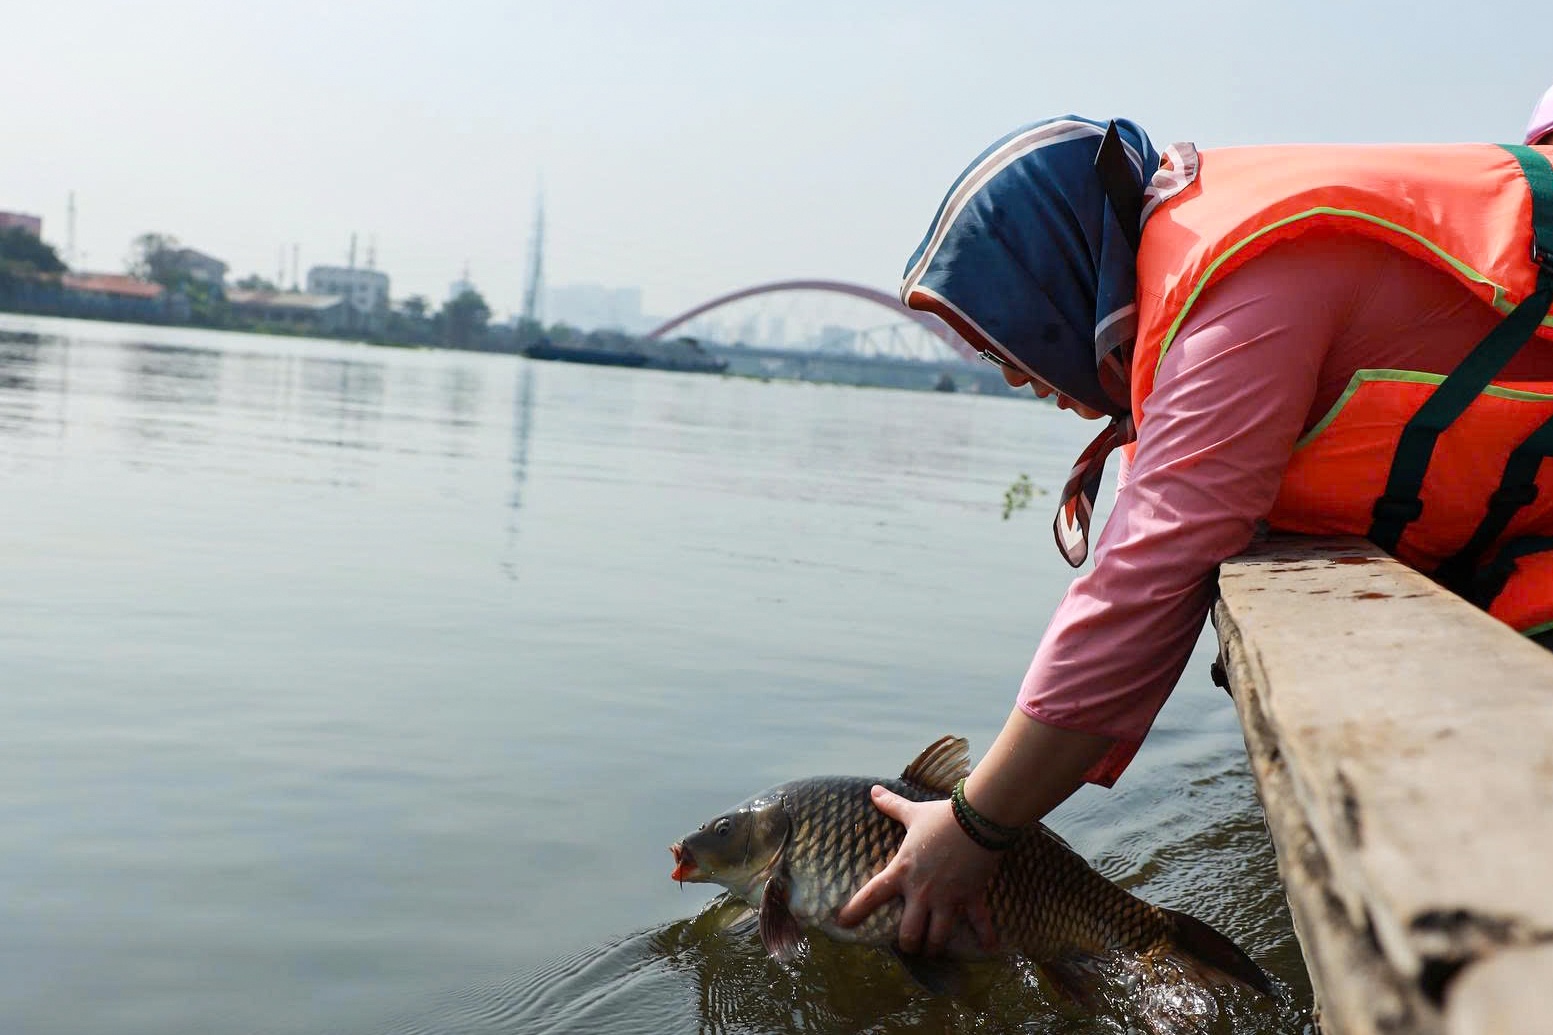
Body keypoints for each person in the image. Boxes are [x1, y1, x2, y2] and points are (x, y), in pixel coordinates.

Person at [835, 114, 1553, 956]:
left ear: (1052, 285)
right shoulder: (1201, 278)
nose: (1008, 370)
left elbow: (1145, 579)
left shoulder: (1237, 289)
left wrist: (974, 825)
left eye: (1005, 331)